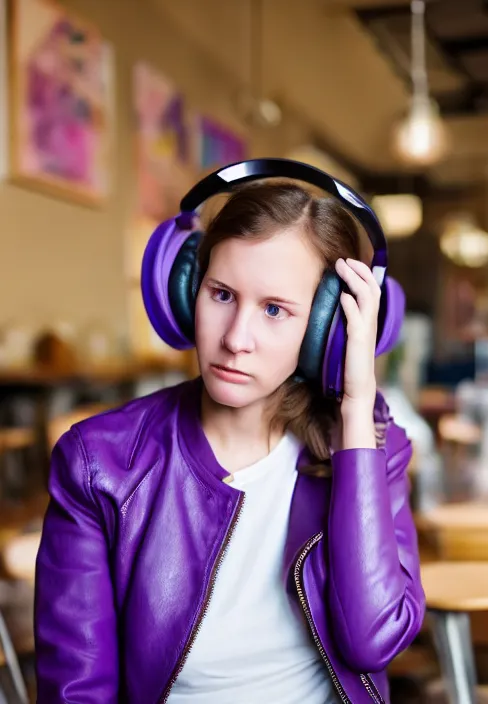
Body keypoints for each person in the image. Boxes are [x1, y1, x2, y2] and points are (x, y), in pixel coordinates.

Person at [34, 162, 425, 704]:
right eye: (221, 294)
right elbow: (76, 690)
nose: (237, 338)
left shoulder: (374, 445)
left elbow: (372, 641)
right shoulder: (99, 463)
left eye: (274, 310)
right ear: (186, 288)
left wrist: (356, 410)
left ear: (327, 331)